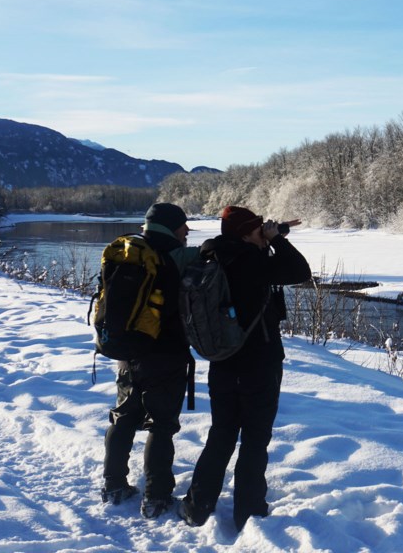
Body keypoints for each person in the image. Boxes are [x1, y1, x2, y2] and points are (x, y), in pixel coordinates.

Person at [179, 206, 311, 530]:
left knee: (221, 434)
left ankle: (198, 506)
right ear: (245, 234)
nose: (262, 233)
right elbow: (299, 271)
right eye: (256, 230)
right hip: (260, 365)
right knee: (254, 439)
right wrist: (277, 240)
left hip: (222, 363)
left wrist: (266, 236)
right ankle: (249, 513)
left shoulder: (212, 257)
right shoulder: (254, 262)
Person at [101, 202, 196, 519]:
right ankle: (156, 497)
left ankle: (113, 485)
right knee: (162, 424)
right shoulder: (175, 255)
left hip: (128, 351)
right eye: (184, 227)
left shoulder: (130, 249)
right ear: (172, 227)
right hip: (166, 353)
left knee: (124, 415)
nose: (187, 233)